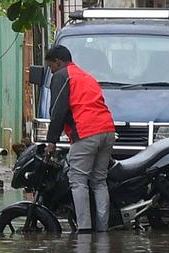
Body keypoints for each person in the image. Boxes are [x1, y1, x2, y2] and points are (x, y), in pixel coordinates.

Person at [44, 45, 117, 233]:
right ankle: (102, 229)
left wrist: (51, 141)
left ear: (57, 62)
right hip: (107, 129)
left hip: (86, 132)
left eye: (50, 66)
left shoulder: (61, 76)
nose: (50, 70)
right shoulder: (85, 76)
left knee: (77, 180)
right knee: (99, 181)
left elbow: (58, 111)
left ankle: (84, 230)